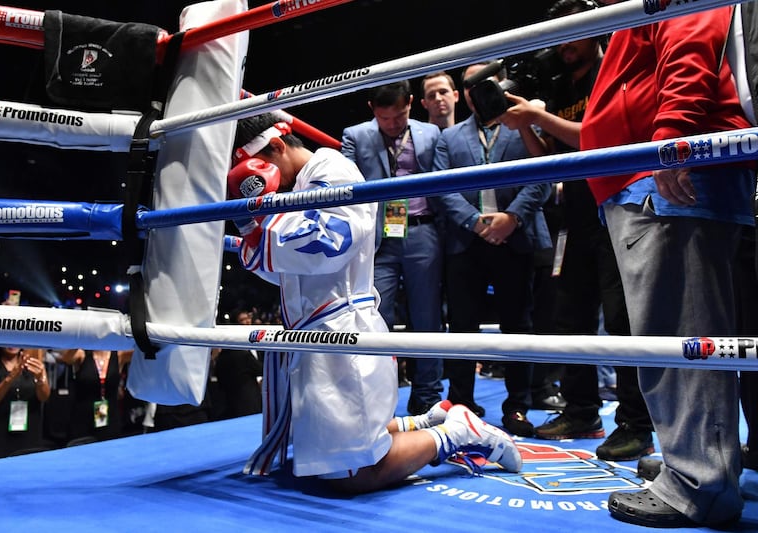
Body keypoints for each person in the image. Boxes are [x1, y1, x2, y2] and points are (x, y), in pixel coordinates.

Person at [228, 111, 520, 494]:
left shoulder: (332, 169)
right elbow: (291, 273)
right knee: (325, 458)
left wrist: (258, 232)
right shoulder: (299, 184)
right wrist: (248, 236)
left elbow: (330, 243)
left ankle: (459, 433)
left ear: (278, 147)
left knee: (355, 472)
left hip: (342, 335)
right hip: (314, 337)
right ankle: (427, 421)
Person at [581, 2, 753, 528]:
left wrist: (672, 130)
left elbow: (692, 28)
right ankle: (711, 460)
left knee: (681, 330)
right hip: (672, 167)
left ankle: (698, 479)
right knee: (728, 326)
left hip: (660, 174)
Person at [499, 0, 653, 462]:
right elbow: (548, 155)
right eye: (560, 34)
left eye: (575, 32)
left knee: (622, 321)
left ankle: (636, 424)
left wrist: (539, 117)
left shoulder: (611, 70)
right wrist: (524, 123)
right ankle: (582, 410)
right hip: (575, 213)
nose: (566, 43)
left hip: (615, 205)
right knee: (571, 315)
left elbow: (597, 136)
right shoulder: (558, 83)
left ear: (595, 31)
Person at [430, 61, 553, 434]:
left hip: (515, 237)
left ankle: (518, 406)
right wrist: (474, 222)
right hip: (467, 241)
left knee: (518, 324)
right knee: (462, 324)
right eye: (469, 84)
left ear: (500, 84)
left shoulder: (525, 126)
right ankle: (462, 402)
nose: (476, 89)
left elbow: (543, 174)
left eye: (484, 82)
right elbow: (442, 188)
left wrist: (512, 218)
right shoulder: (449, 138)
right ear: (463, 93)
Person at [342, 80, 445, 415]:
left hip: (422, 231)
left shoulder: (430, 134)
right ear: (372, 110)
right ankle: (377, 397)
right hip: (378, 240)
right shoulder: (354, 136)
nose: (393, 125)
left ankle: (428, 396)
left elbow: (444, 184)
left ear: (410, 104)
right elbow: (342, 184)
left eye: (399, 117)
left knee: (427, 317)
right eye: (385, 119)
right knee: (376, 317)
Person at [0, 346, 51, 460]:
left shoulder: (33, 366)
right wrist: (10, 378)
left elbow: (44, 397)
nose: (12, 345)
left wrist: (40, 379)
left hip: (28, 434)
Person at [56, 348, 133, 444]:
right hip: (82, 419)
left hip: (110, 417)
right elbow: (66, 359)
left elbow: (142, 352)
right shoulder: (81, 354)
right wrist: (81, 338)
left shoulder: (119, 355)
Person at [211, 308, 263, 419]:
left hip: (250, 397)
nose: (247, 322)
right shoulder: (238, 352)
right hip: (246, 401)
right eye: (243, 320)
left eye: (248, 318)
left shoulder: (261, 340)